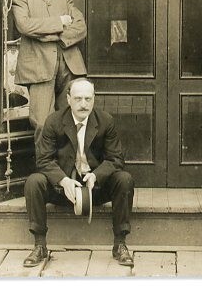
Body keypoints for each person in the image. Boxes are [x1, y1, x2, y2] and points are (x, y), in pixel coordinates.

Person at [22, 78, 135, 268]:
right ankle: (40, 245)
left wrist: (96, 175)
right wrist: (63, 181)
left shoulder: (105, 121)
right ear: (68, 99)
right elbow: (43, 160)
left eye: (88, 99)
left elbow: (116, 159)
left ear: (94, 99)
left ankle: (120, 244)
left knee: (125, 179)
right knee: (34, 182)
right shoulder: (54, 121)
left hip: (93, 188)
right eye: (78, 99)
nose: (84, 105)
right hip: (64, 189)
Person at [11, 0, 87, 131]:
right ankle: (46, 162)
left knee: (73, 122)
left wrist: (53, 37)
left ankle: (70, 162)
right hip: (39, 66)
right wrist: (60, 21)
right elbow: (25, 25)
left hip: (70, 66)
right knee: (43, 123)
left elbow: (81, 27)